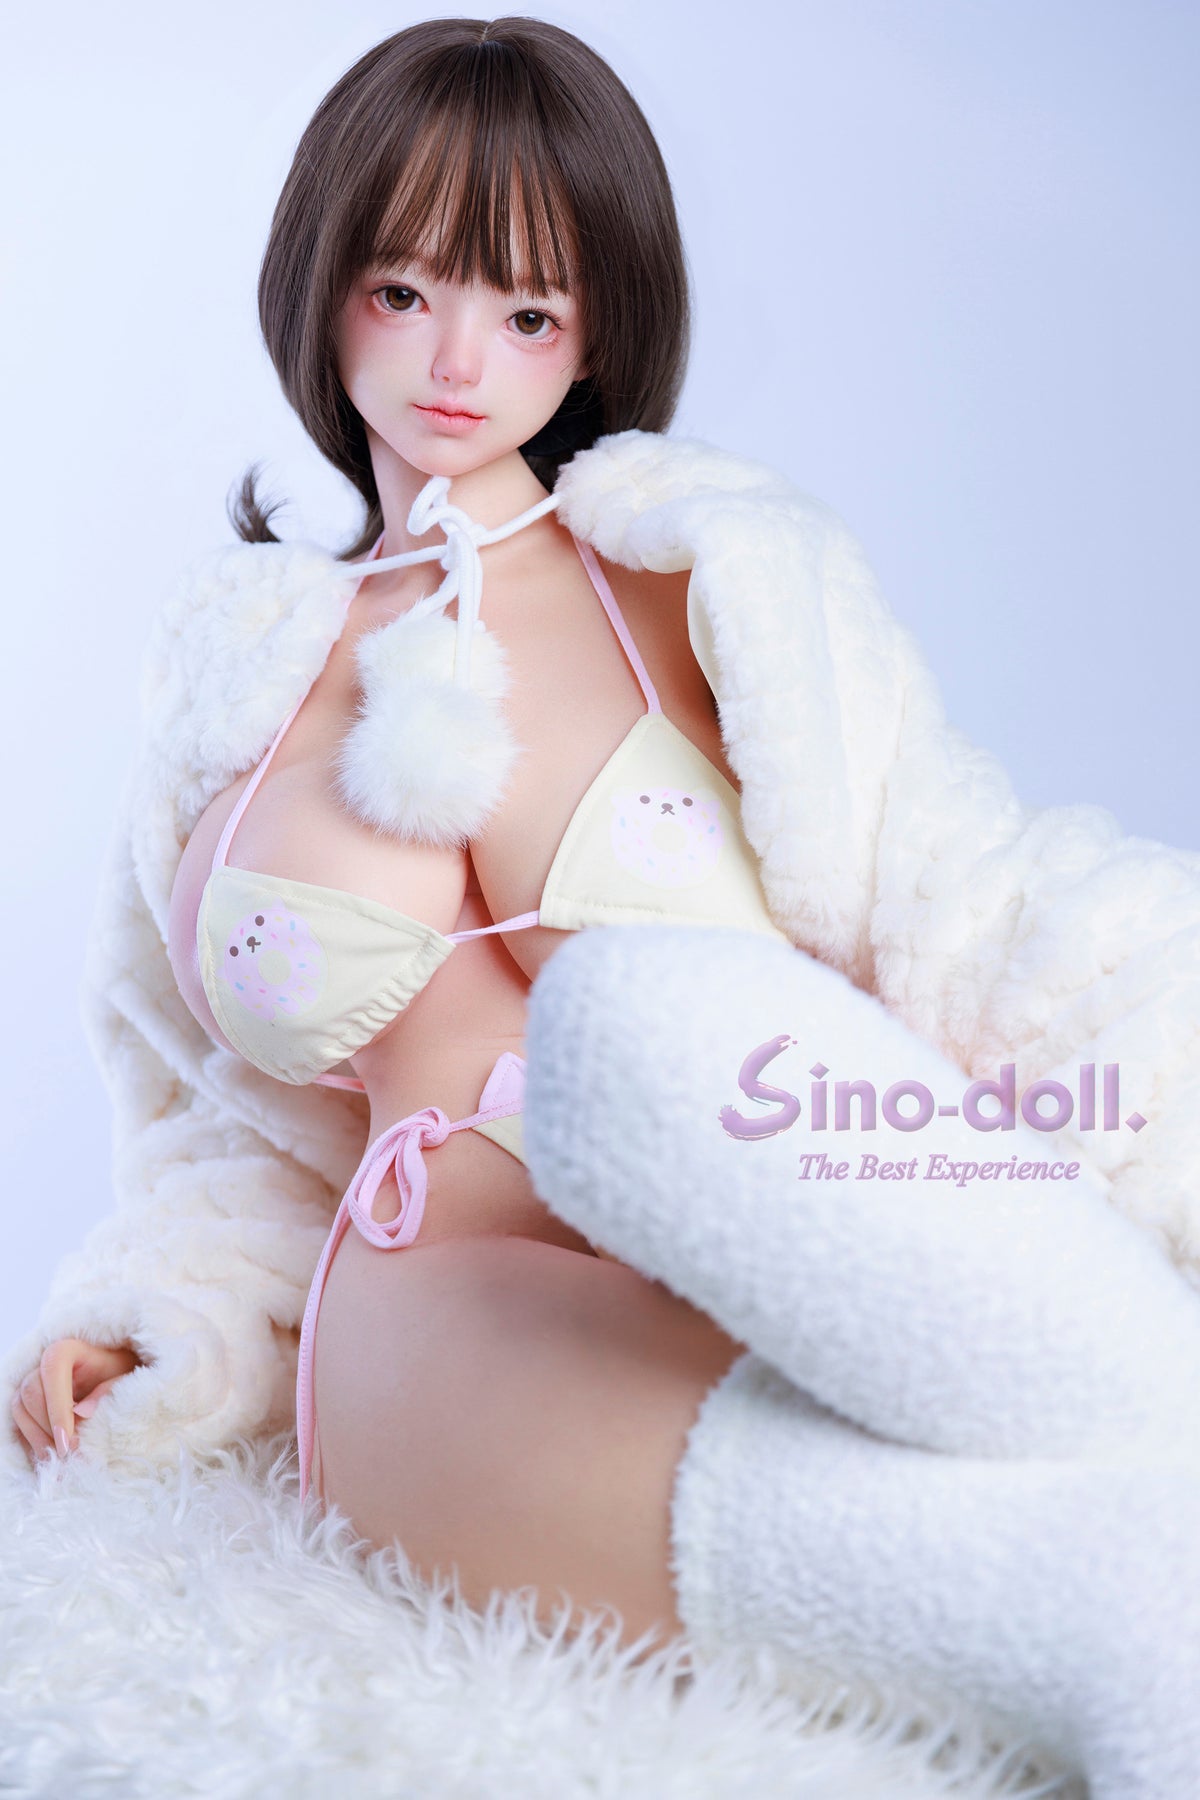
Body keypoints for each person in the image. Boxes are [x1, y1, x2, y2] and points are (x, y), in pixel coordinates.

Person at [8, 21, 1200, 1795]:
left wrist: (1159, 1058)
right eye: (403, 290)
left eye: (526, 311)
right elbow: (221, 1123)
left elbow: (959, 897)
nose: (456, 362)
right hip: (436, 1309)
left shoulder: (711, 575)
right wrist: (157, 1312)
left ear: (596, 330)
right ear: (322, 286)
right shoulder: (235, 682)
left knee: (727, 1089)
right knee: (1071, 1586)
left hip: (788, 1223)